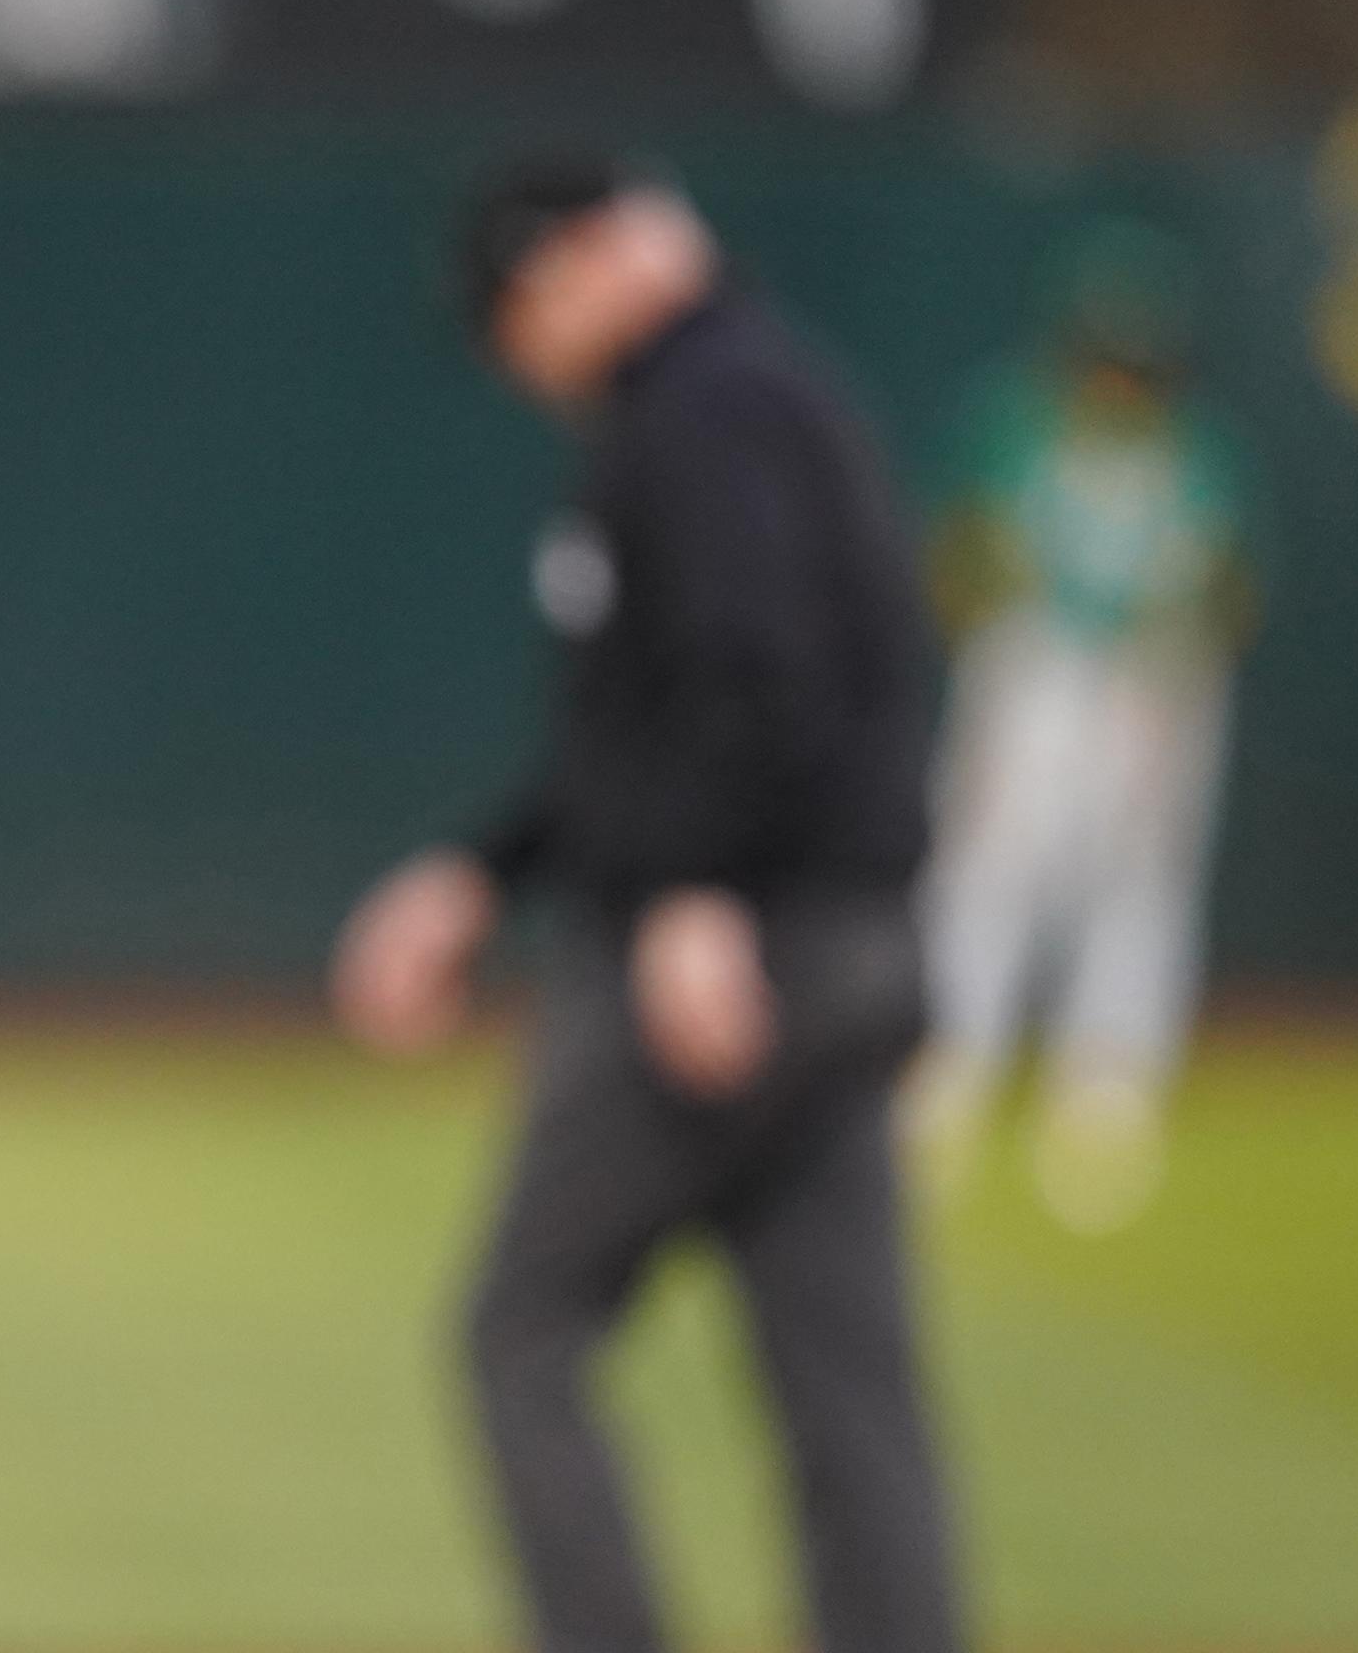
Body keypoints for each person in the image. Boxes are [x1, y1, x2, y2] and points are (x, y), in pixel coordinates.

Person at [329, 156, 963, 1653]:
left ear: (583, 262)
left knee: (523, 1329)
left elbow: (761, 675)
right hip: (851, 943)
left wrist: (692, 894)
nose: (512, 349)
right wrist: (485, 872)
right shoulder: (753, 388)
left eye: (514, 307)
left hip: (746, 947)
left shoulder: (701, 411)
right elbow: (650, 732)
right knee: (844, 1381)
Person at [905, 225, 1254, 1233]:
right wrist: (993, 655)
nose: (1121, 380)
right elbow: (961, 549)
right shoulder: (1013, 421)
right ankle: (948, 1061)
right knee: (988, 866)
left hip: (1156, 679)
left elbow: (1231, 583)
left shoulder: (1198, 447)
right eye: (1108, 358)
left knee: (1141, 880)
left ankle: (1108, 1077)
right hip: (1035, 667)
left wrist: (1176, 665)